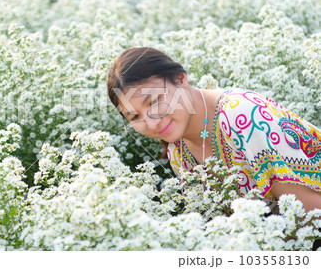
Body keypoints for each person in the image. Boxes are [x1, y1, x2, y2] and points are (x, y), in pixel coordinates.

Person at [107, 47, 321, 215]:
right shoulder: (178, 153)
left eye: (155, 101)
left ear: (181, 80)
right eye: (135, 117)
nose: (152, 123)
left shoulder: (243, 116)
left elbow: (309, 213)